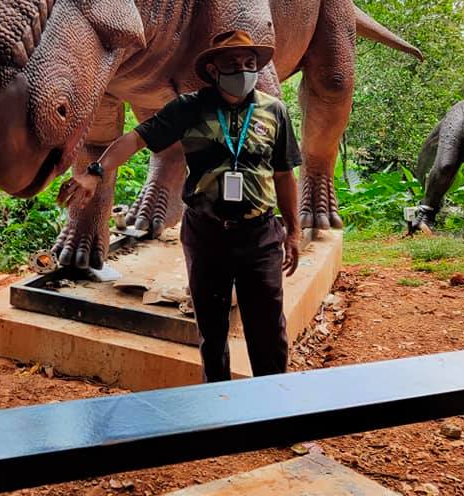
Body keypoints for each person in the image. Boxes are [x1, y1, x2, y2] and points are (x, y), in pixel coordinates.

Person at [58, 30, 301, 382]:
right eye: (233, 63)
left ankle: (273, 417)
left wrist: (292, 231)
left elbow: (283, 175)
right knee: (212, 333)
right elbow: (135, 139)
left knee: (268, 331)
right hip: (207, 236)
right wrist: (94, 172)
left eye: (250, 64)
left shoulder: (273, 111)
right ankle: (218, 413)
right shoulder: (190, 108)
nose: (244, 70)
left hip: (260, 236)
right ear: (214, 69)